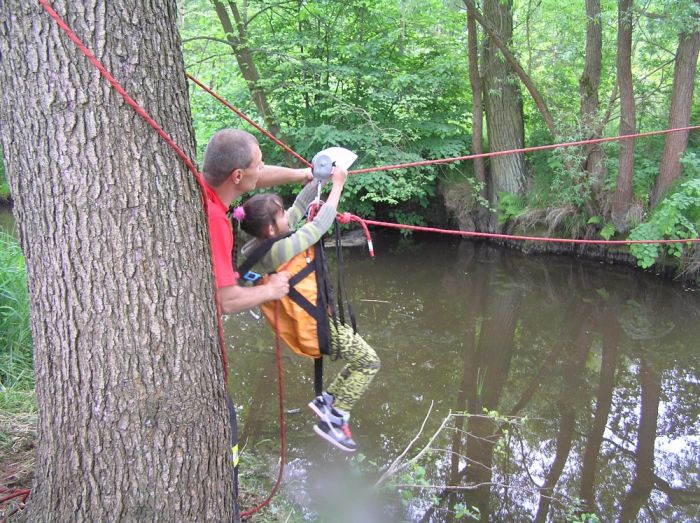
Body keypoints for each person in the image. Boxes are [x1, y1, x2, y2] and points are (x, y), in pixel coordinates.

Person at [237, 165, 380, 452]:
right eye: (280, 215)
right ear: (270, 228)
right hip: (316, 329)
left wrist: (318, 179)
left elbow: (299, 207)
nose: (286, 215)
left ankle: (327, 401)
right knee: (369, 362)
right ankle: (335, 417)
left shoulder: (258, 246)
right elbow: (317, 227)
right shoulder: (280, 249)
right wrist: (337, 186)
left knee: (359, 358)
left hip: (315, 322)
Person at [201, 128, 311, 314]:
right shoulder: (215, 220)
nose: (262, 168)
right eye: (259, 164)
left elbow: (255, 176)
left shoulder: (200, 184)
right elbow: (225, 301)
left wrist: (303, 175)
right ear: (237, 176)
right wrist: (269, 290)